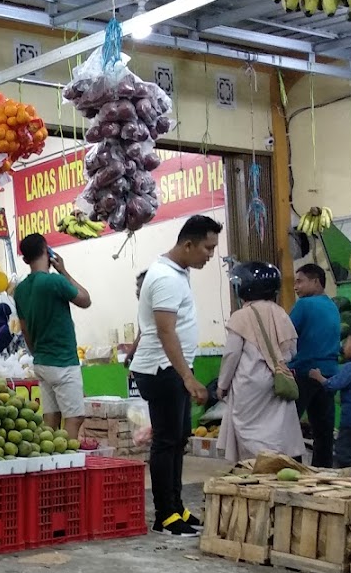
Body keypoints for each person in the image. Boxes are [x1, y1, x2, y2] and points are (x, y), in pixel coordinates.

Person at [130, 214, 223, 536]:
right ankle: (165, 514)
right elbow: (166, 331)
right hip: (162, 370)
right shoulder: (166, 278)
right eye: (207, 248)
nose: (210, 255)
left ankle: (176, 505)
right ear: (188, 244)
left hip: (172, 368)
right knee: (167, 442)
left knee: (178, 438)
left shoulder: (176, 272)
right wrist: (187, 376)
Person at [216, 262, 304, 462]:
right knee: (276, 429)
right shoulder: (280, 313)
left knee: (250, 433)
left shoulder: (240, 316)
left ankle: (256, 470)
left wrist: (222, 386)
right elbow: (291, 350)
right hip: (278, 381)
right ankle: (279, 466)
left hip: (249, 384)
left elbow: (231, 355)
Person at [14, 233, 91, 438]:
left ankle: (51, 462)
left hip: (42, 361)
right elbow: (85, 300)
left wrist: (38, 352)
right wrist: (63, 270)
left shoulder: (20, 290)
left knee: (51, 417)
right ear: (47, 251)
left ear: (25, 259)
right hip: (63, 361)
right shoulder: (54, 281)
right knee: (74, 418)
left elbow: (25, 330)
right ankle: (68, 463)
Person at [290, 264, 341, 466]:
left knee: (289, 427)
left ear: (316, 282)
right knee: (323, 431)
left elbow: (286, 333)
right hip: (329, 374)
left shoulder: (305, 305)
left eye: (300, 281)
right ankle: (323, 472)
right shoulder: (332, 306)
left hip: (304, 372)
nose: (296, 286)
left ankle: (291, 469)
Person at [310, 330, 351, 466]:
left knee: (344, 455)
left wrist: (318, 376)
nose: (343, 347)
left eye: (346, 343)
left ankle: (347, 479)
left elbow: (334, 384)